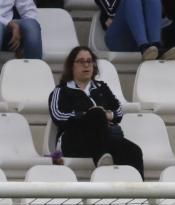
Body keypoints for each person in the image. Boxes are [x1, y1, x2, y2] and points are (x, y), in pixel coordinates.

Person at [49, 46, 145, 174]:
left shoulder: (101, 88)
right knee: (96, 114)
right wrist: (88, 115)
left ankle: (138, 193)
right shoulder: (61, 91)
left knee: (134, 151)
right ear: (72, 66)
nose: (86, 65)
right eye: (81, 61)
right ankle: (101, 156)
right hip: (74, 140)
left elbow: (119, 113)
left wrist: (106, 115)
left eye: (90, 61)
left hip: (105, 137)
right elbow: (58, 116)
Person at [0, 0, 42, 94]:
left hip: (8, 27)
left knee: (32, 25)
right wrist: (9, 23)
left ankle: (34, 87)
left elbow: (29, 9)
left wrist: (22, 32)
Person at [94, 0, 175, 60]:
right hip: (119, 37)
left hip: (147, 35)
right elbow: (111, 10)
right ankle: (144, 46)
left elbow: (161, 14)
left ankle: (156, 46)